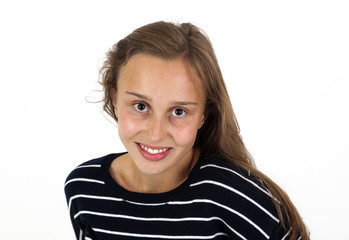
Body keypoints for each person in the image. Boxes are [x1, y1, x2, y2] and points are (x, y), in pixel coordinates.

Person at [64, 21, 310, 240]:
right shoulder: (83, 188)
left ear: (204, 115)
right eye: (140, 106)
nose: (156, 133)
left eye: (179, 111)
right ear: (114, 99)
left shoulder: (237, 197)